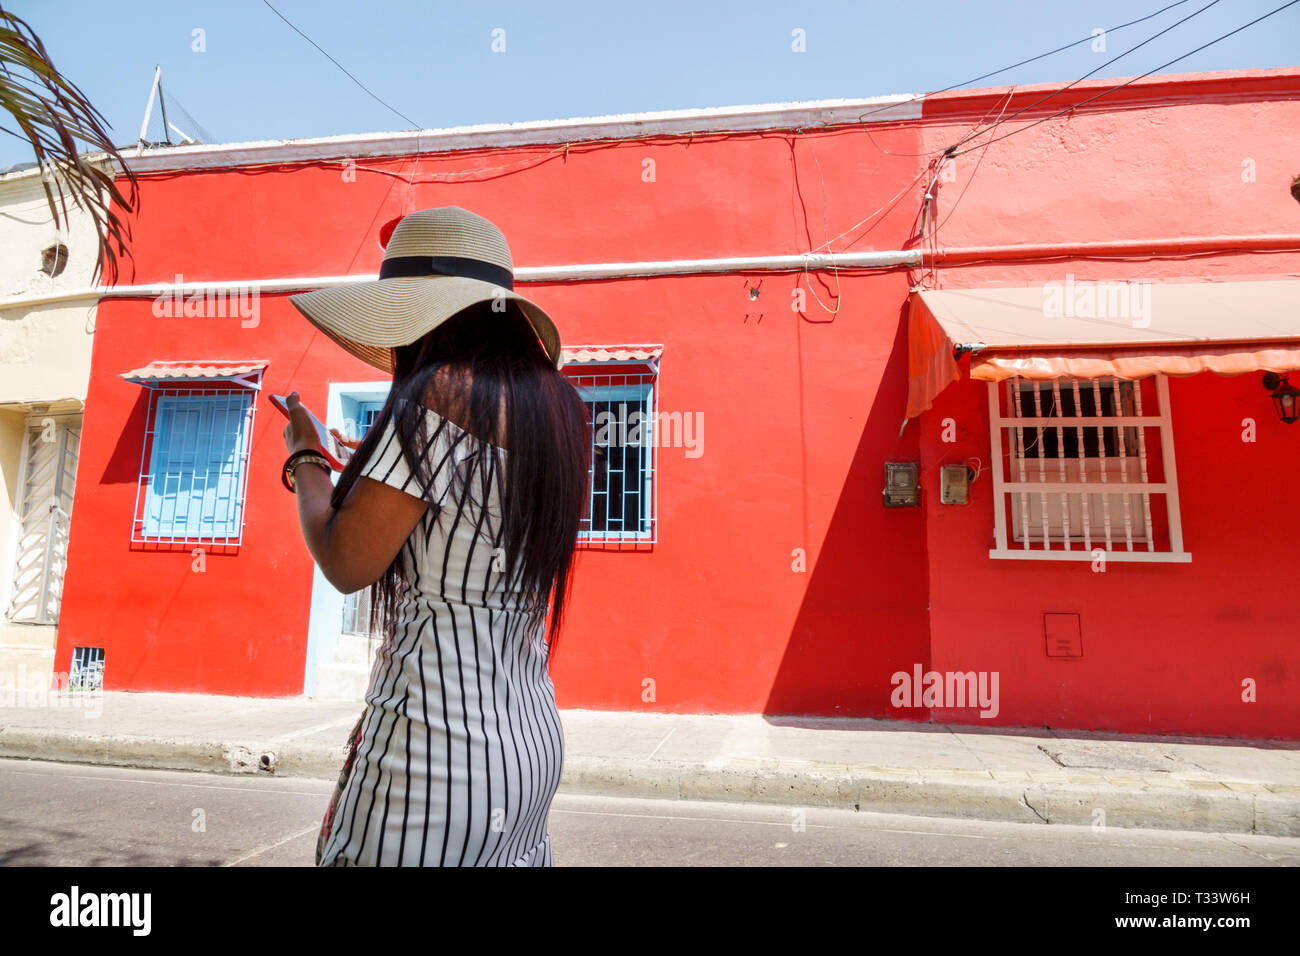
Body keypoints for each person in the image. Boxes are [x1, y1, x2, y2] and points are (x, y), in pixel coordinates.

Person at [279, 206, 590, 866]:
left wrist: (305, 457)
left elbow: (344, 560)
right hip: (528, 747)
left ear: (420, 312)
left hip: (433, 755)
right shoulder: (561, 410)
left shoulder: (439, 395)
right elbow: (475, 518)